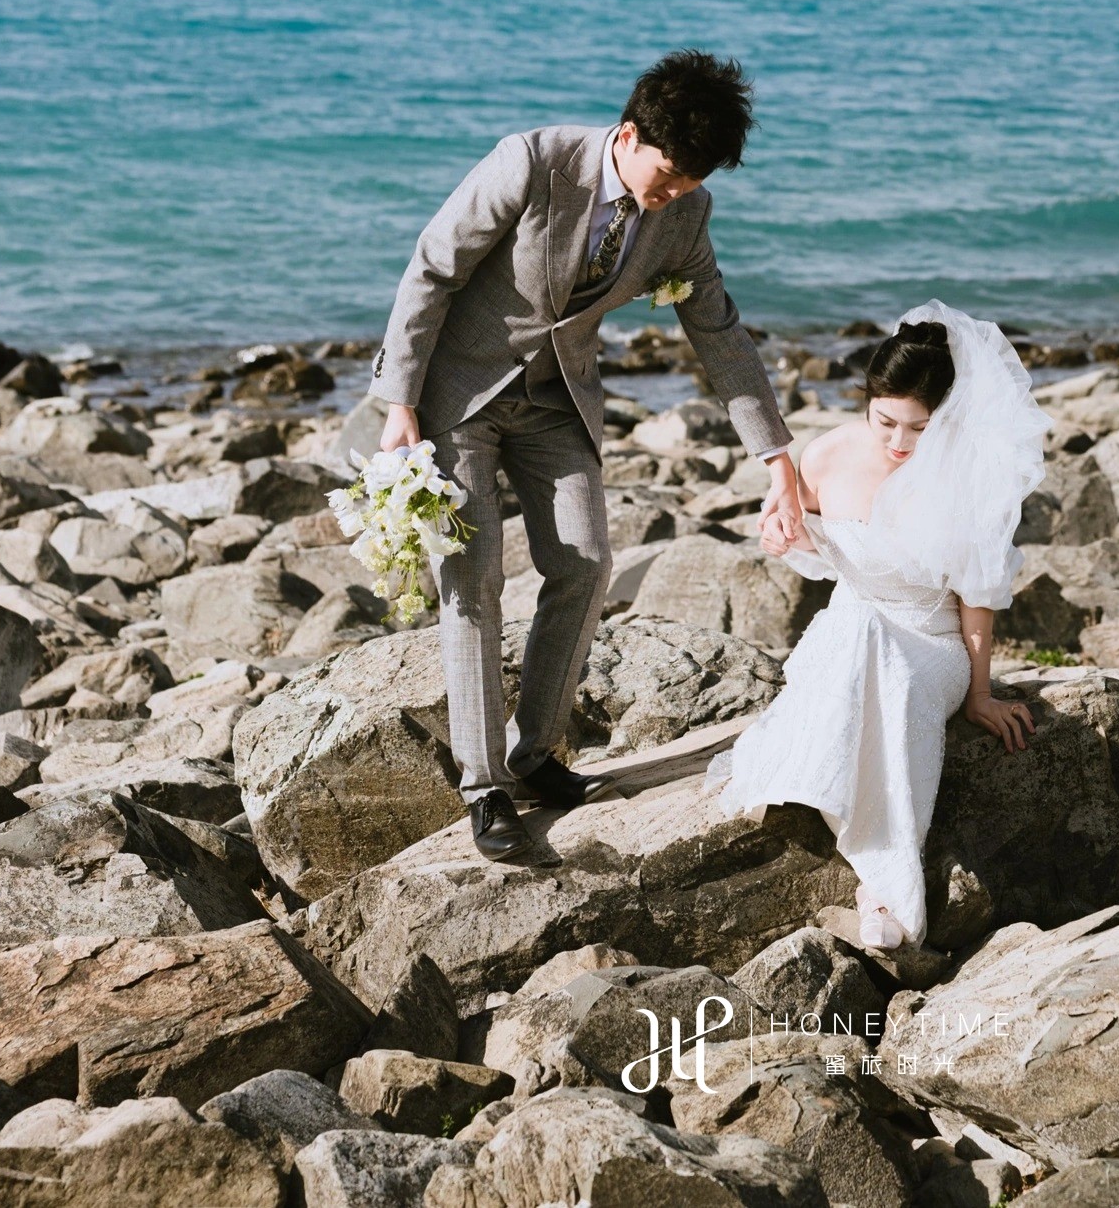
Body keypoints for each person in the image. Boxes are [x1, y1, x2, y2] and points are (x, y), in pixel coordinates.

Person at [369, 49, 801, 863]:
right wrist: (400, 405)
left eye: (692, 183)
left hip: (556, 400)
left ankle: (533, 758)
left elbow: (719, 332)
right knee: (475, 573)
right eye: (667, 174)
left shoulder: (686, 213)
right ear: (629, 134)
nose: (675, 194)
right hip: (455, 395)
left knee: (587, 561)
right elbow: (433, 269)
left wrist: (777, 459)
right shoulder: (531, 161)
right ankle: (484, 786)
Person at [715, 303, 1048, 949]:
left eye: (919, 429)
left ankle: (886, 879)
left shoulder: (968, 478)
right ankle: (854, 838)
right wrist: (780, 528)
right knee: (858, 631)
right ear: (866, 402)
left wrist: (981, 694)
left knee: (879, 653)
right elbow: (796, 516)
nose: (898, 442)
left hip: (932, 644)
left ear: (946, 420)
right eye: (885, 421)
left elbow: (977, 603)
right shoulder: (830, 452)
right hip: (853, 627)